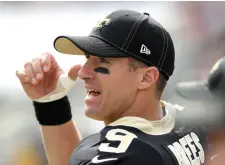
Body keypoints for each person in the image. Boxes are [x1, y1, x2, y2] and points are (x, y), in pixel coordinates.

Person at [16, 9, 209, 165]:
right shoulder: (194, 121)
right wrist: (52, 104)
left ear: (146, 78)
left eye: (103, 62)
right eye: (87, 59)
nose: (83, 73)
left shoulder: (121, 155)